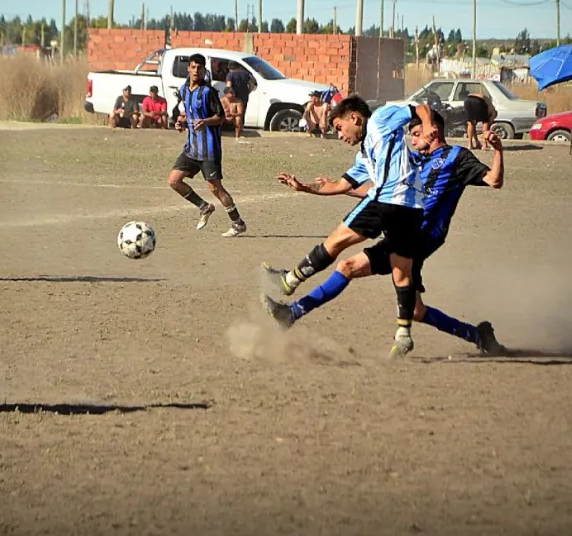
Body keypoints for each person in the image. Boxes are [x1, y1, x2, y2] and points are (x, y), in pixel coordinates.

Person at [262, 110, 507, 356]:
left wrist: (498, 150)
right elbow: (380, 191)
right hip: (402, 229)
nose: (411, 140)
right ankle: (479, 336)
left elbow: (494, 180)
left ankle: (292, 309)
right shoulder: (412, 160)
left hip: (423, 236)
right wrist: (322, 188)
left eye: (415, 134)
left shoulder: (457, 156)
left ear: (432, 132)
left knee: (348, 266)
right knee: (413, 309)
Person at [261, 96, 437, 356]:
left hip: (388, 200)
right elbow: (341, 185)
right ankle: (403, 334)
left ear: (354, 118)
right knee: (402, 272)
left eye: (339, 127)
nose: (339, 135)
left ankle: (289, 281)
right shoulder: (365, 154)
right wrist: (304, 187)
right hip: (413, 210)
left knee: (336, 240)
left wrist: (428, 126)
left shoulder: (379, 119)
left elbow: (419, 107)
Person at [167, 53, 247, 237]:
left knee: (214, 187)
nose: (196, 71)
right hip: (191, 147)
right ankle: (204, 207)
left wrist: (205, 121)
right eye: (193, 67)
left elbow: (220, 117)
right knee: (174, 181)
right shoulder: (184, 90)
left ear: (204, 70)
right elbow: (188, 114)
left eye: (200, 68)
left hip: (209, 149)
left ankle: (238, 223)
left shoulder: (208, 92)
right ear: (188, 68)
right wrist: (181, 123)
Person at [224, 62, 254, 139]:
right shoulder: (246, 74)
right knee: (241, 113)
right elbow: (251, 85)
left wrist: (228, 96)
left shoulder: (230, 75)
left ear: (230, 68)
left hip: (234, 98)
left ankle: (232, 129)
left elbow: (229, 86)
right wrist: (247, 92)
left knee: (232, 112)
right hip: (244, 97)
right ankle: (240, 130)